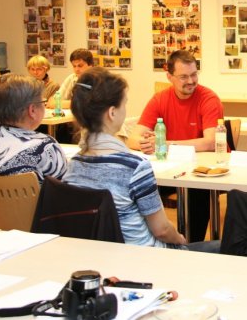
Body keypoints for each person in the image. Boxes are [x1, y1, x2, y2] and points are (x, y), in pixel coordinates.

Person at [64, 67, 189, 249]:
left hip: (100, 255)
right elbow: (162, 230)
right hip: (145, 257)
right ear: (112, 112)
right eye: (124, 104)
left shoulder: (75, 164)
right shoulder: (134, 166)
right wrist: (180, 239)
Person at [127, 50, 223, 242]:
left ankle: (190, 244)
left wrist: (164, 144)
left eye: (194, 74)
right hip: (168, 168)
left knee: (196, 195)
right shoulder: (160, 99)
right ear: (169, 77)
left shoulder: (208, 98)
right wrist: (146, 143)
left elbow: (210, 141)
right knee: (136, 186)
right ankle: (149, 241)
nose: (191, 81)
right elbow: (132, 139)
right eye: (183, 77)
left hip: (201, 170)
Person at [0, 75, 66, 184]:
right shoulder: (46, 147)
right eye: (43, 102)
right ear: (32, 110)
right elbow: (62, 190)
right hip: (32, 201)